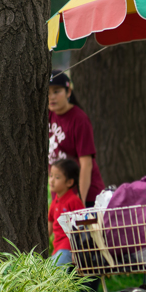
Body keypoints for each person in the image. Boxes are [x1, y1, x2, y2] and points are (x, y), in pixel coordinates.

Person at [48, 70, 105, 206]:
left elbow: (86, 163)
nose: (51, 97)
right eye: (48, 92)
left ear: (68, 92)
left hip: (86, 196)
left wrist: (80, 200)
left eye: (56, 91)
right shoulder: (48, 115)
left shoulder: (79, 119)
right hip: (61, 195)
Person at [48, 158, 84, 266]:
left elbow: (82, 227)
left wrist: (76, 251)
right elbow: (48, 228)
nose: (52, 180)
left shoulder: (74, 201)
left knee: (54, 279)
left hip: (68, 249)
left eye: (57, 177)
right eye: (51, 176)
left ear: (69, 182)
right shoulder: (54, 203)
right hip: (57, 250)